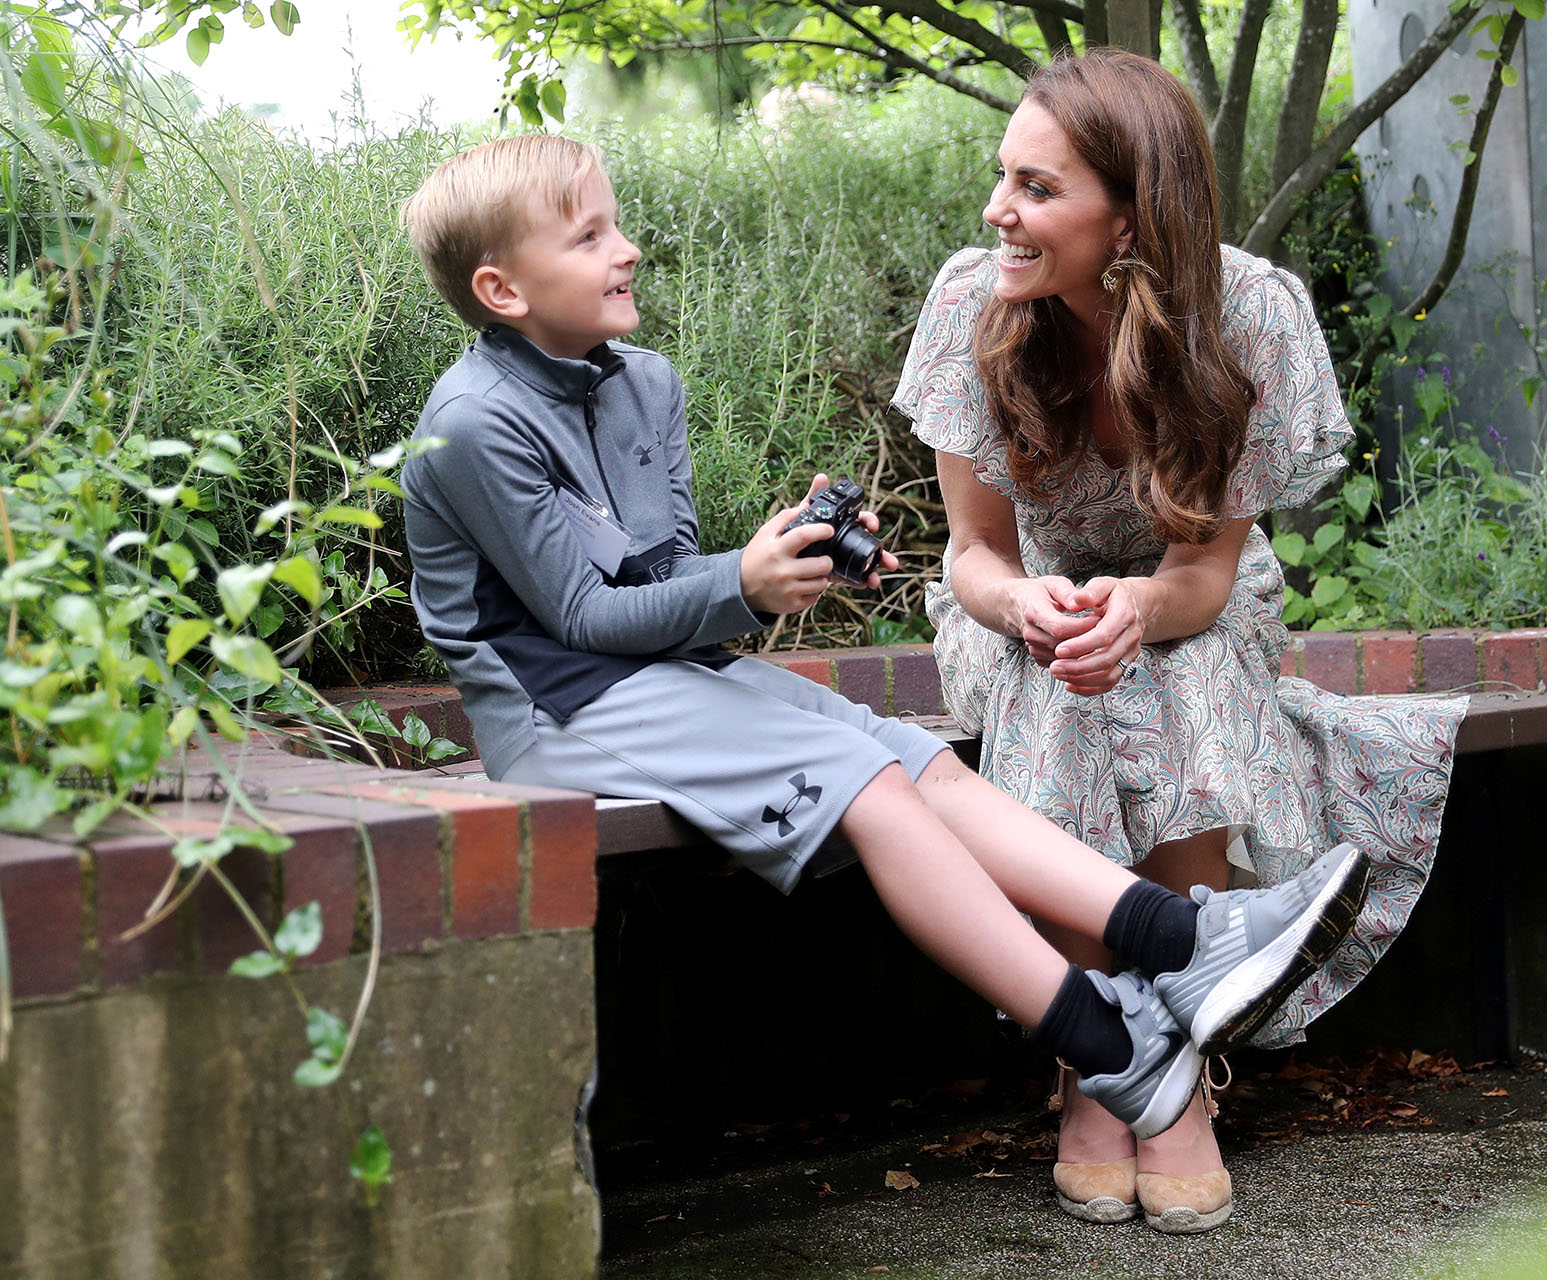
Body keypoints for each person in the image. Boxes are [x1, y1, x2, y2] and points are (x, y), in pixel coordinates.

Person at [395, 135, 1375, 1161]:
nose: (627, 248)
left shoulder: (645, 383)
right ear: (502, 288)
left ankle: (1188, 941)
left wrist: (775, 562)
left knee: (916, 762)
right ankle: (1109, 1041)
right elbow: (582, 620)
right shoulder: (473, 425)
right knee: (871, 785)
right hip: (562, 711)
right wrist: (742, 587)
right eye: (590, 235)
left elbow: (658, 575)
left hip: (667, 680)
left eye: (617, 222)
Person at [893, 51, 1466, 1233]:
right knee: (1064, 674)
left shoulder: (1249, 316)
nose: (1000, 209)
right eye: (1005, 176)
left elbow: (1202, 570)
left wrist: (1137, 609)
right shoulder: (974, 300)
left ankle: (1175, 1057)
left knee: (1176, 659)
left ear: (1132, 217)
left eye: (1038, 189)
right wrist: (1034, 608)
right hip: (1015, 604)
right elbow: (974, 555)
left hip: (1196, 603)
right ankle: (1101, 1054)